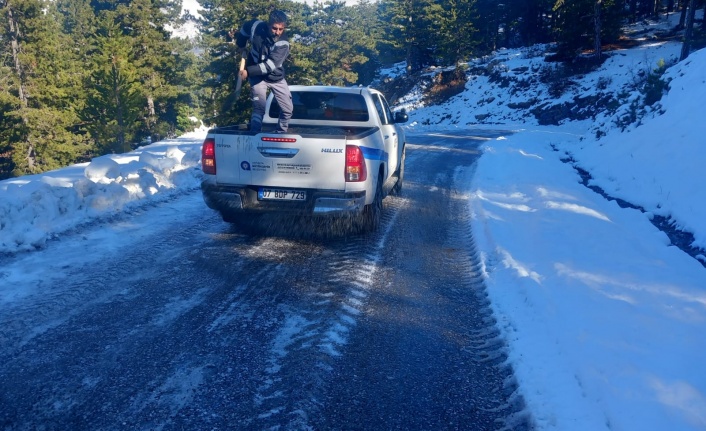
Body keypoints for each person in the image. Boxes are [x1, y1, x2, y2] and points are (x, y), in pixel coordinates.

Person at [234, 10, 293, 133]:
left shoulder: (283, 43)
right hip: (258, 78)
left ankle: (281, 132)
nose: (277, 32)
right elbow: (245, 28)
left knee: (288, 109)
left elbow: (269, 66)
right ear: (268, 24)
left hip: (275, 77)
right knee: (259, 108)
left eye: (281, 29)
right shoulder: (255, 27)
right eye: (274, 28)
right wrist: (241, 44)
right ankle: (255, 134)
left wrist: (248, 72)